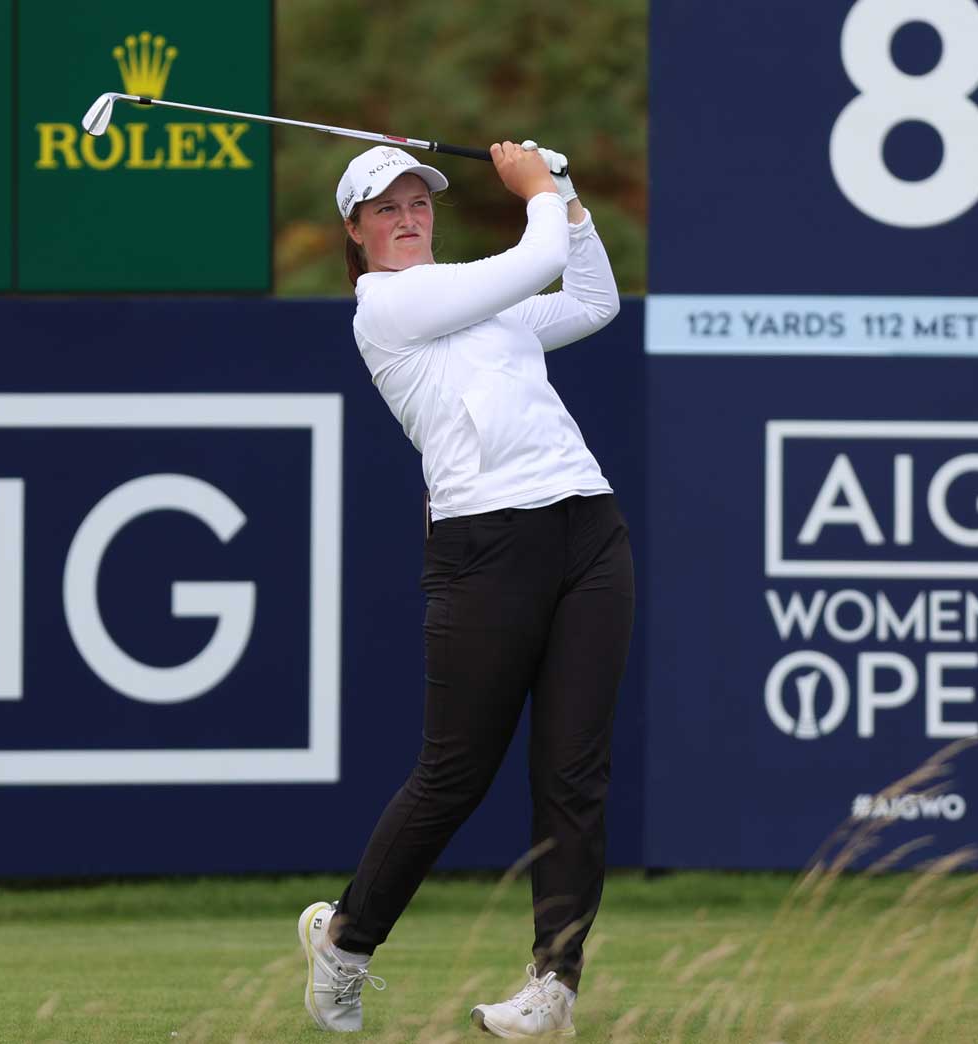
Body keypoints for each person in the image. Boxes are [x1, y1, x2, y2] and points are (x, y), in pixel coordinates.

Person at [298, 140, 634, 1038]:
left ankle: (552, 989)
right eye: (386, 209)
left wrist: (566, 196)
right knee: (455, 774)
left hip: (588, 527)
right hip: (486, 547)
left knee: (574, 774)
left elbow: (594, 299)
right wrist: (536, 190)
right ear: (357, 233)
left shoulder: (489, 312)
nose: (408, 219)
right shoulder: (389, 305)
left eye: (419, 203)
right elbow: (534, 260)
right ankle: (346, 942)